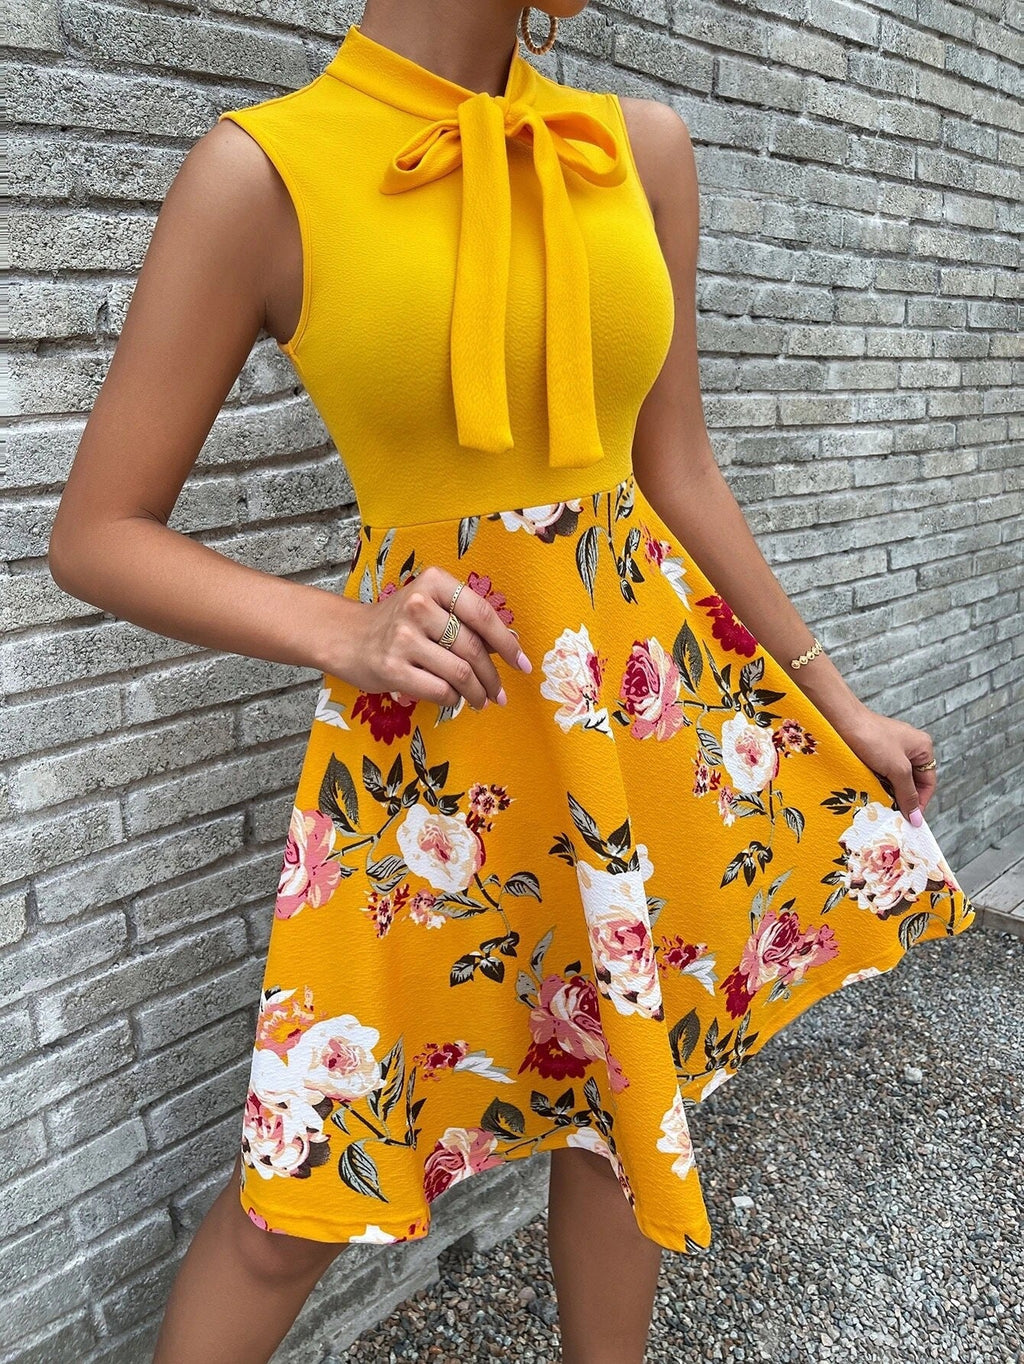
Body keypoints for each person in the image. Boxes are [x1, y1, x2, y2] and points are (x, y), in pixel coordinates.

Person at [47, 3, 977, 1362]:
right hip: (440, 745)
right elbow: (96, 533)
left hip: (635, 716)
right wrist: (339, 628)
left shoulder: (635, 150)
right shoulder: (267, 173)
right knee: (306, 1179)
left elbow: (677, 471)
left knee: (627, 1117)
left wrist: (838, 702)